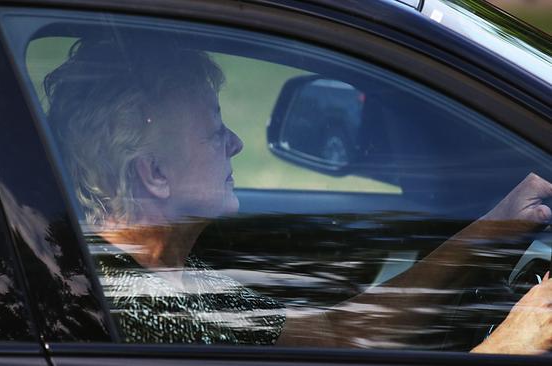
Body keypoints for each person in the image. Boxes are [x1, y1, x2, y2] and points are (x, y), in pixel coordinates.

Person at [44, 36, 552, 353]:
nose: (237, 144)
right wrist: (511, 344)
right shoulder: (130, 311)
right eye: (216, 131)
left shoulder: (174, 276)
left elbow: (334, 338)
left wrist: (490, 230)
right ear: (154, 172)